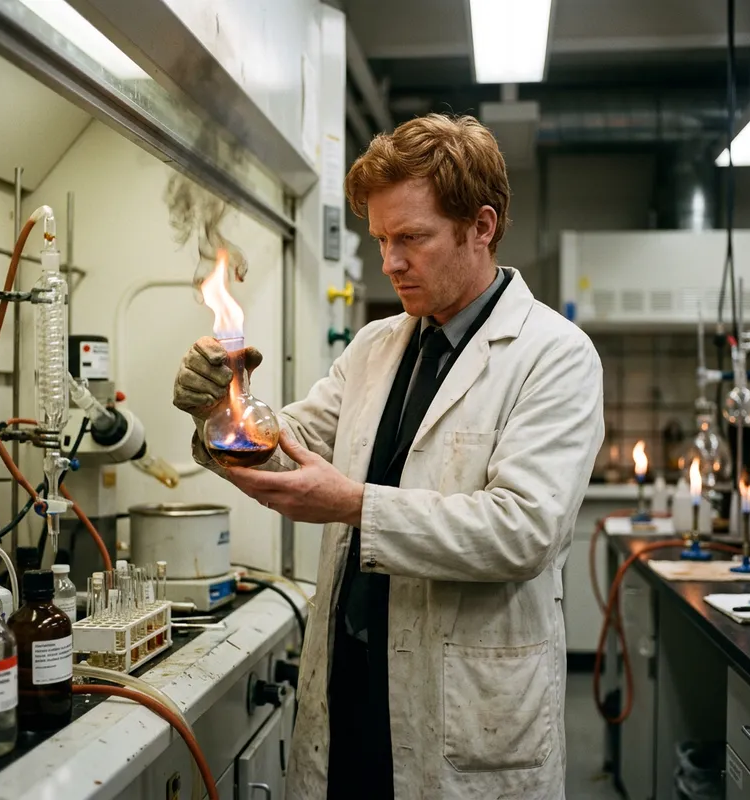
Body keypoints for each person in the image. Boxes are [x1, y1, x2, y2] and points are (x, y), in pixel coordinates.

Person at [173, 113, 604, 800]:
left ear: (481, 226)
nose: (390, 262)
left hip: (463, 712)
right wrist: (221, 413)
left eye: (412, 238)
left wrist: (353, 504)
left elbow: (524, 531)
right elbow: (290, 448)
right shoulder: (377, 346)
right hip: (351, 691)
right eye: (380, 239)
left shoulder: (553, 356)